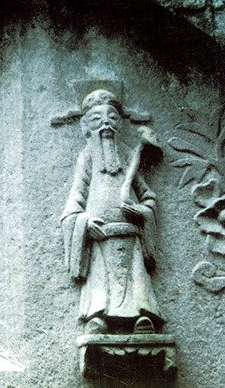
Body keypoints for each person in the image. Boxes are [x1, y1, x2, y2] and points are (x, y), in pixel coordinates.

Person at [60, 89, 163, 335]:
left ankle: (142, 315)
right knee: (100, 277)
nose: (106, 124)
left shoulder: (128, 155)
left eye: (112, 118)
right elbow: (75, 200)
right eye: (97, 119)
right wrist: (84, 223)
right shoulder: (87, 157)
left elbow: (148, 197)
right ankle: (98, 316)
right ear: (86, 126)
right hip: (101, 237)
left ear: (120, 124)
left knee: (136, 275)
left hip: (130, 235)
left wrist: (142, 211)